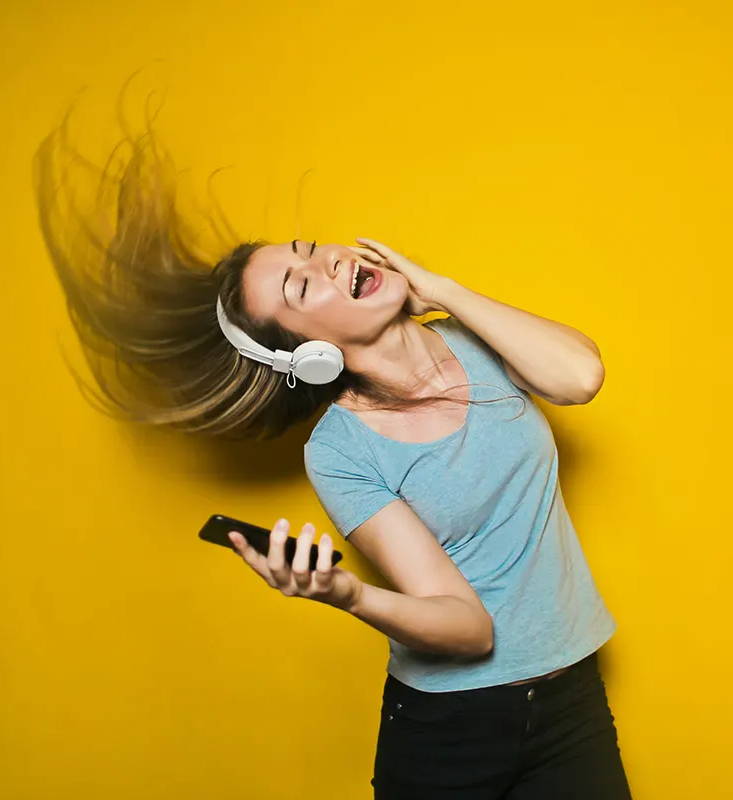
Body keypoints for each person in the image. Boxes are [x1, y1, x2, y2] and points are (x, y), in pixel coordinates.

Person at [34, 115, 633, 798]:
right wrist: (345, 593)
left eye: (310, 249)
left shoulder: (478, 338)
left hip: (571, 697)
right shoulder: (341, 450)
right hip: (451, 730)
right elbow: (466, 630)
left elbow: (579, 379)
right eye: (299, 285)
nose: (327, 262)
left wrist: (439, 289)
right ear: (308, 354)